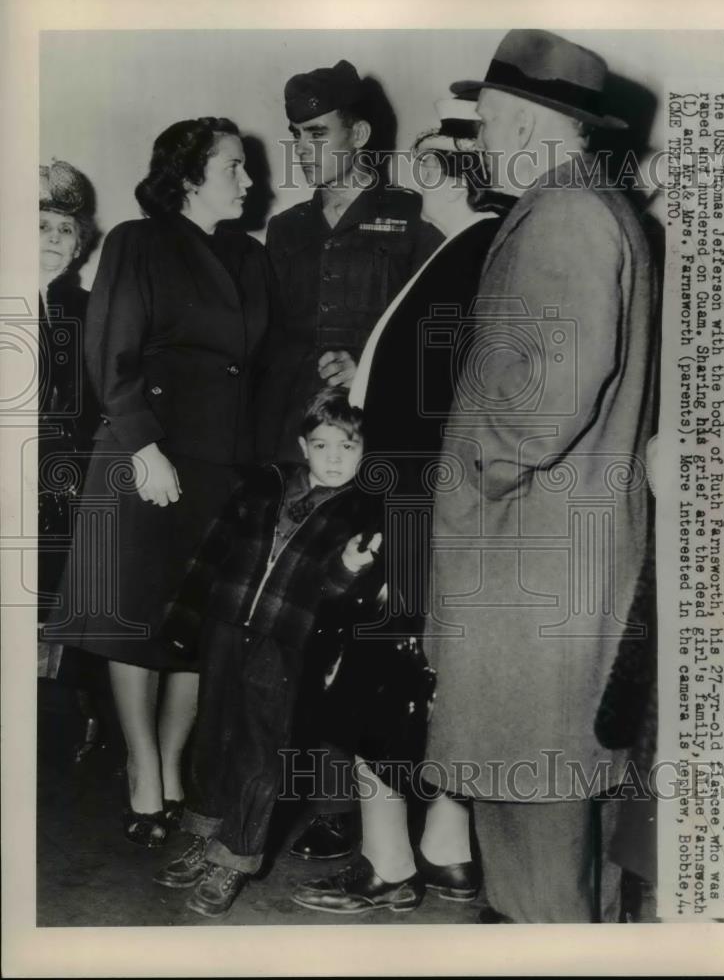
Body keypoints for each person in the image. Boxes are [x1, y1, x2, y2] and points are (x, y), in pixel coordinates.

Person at [414, 29, 657, 923]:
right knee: (561, 819)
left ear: (522, 122)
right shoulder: (595, 205)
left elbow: (545, 402)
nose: (474, 140)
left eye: (481, 121)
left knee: (530, 824)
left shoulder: (561, 217)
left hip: (529, 571)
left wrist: (475, 467)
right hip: (561, 562)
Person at [290, 100, 512, 915]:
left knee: (375, 677)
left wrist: (391, 530)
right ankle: (445, 854)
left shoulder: (473, 249)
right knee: (422, 680)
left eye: (422, 156)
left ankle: (390, 867)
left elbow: (436, 411)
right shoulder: (465, 248)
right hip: (424, 502)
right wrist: (365, 371)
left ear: (441, 168)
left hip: (414, 505)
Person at [44, 118, 274, 847]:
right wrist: (143, 446)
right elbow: (113, 349)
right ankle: (143, 773)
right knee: (131, 625)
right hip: (145, 455)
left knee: (195, 632)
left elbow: (262, 371)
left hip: (220, 466)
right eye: (233, 167)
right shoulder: (138, 242)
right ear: (187, 176)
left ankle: (173, 768)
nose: (247, 180)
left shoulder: (250, 256)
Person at [255, 58, 443, 862]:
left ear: (359, 135)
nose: (303, 150)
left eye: (318, 134)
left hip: (369, 456)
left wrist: (362, 359)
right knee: (286, 623)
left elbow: (432, 332)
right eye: (295, 136)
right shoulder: (288, 230)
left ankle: (347, 807)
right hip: (292, 447)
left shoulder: (409, 223)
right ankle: (274, 790)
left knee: (355, 619)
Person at [152, 389, 381, 917]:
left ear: (364, 453)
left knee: (259, 750)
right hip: (227, 627)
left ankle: (234, 857)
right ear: (303, 445)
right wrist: (185, 619)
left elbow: (334, 596)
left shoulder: (359, 512)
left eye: (347, 447)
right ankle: (202, 835)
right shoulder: (264, 484)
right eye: (322, 445)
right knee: (212, 735)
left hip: (285, 644)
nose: (333, 458)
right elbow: (212, 551)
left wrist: (348, 567)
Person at [38, 160, 106, 754]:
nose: (54, 240)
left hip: (63, 480)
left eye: (64, 228)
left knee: (59, 596)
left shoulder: (86, 311)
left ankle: (74, 716)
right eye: (40, 226)